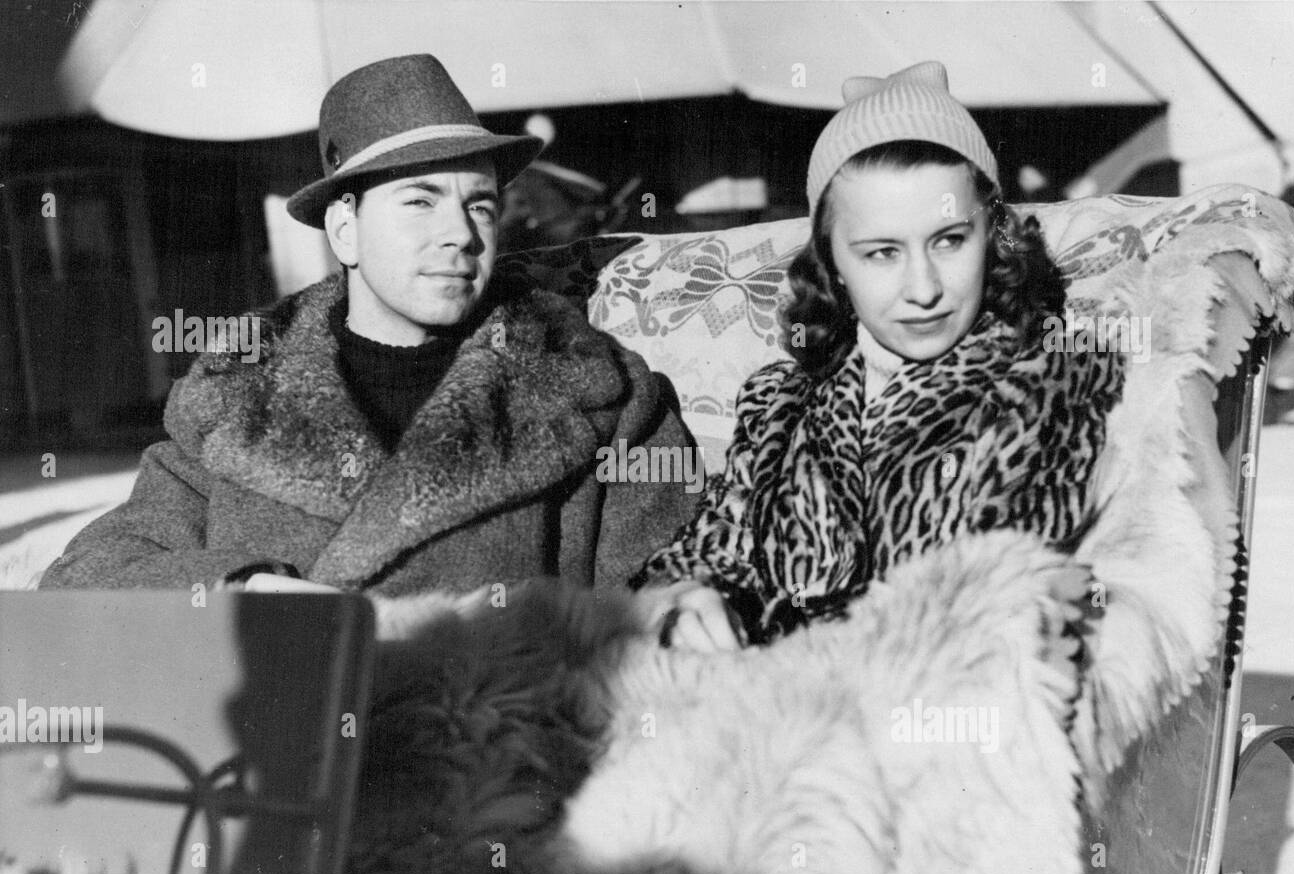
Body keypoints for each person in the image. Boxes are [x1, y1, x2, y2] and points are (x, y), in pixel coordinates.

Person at [40, 54, 699, 595]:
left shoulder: (599, 394)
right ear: (345, 230)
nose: (461, 236)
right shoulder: (234, 394)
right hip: (299, 737)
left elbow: (675, 577)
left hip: (502, 734)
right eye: (420, 201)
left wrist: (680, 607)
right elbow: (91, 573)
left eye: (481, 206)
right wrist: (244, 587)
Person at [634, 61, 1124, 650]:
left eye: (948, 240)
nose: (923, 289)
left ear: (991, 238)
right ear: (832, 265)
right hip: (769, 717)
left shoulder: (1054, 382)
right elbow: (707, 554)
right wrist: (681, 602)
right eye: (882, 253)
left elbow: (1022, 612)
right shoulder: (780, 406)